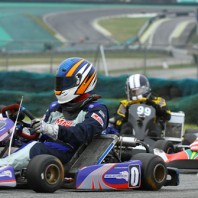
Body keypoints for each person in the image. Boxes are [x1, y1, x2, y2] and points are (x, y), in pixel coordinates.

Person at [0, 57, 109, 171]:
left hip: (70, 154)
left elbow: (82, 134)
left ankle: (2, 167)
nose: (62, 86)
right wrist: (24, 130)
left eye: (66, 82)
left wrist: (52, 129)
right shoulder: (56, 107)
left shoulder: (97, 109)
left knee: (35, 148)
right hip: (47, 149)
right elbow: (40, 133)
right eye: (60, 82)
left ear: (82, 82)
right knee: (10, 144)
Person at [111, 73, 171, 138]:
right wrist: (127, 115)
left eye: (139, 90)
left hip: (150, 128)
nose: (136, 93)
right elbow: (118, 120)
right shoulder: (124, 104)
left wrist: (154, 106)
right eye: (133, 92)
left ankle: (153, 143)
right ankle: (125, 143)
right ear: (129, 92)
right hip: (132, 129)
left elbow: (167, 115)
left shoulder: (158, 101)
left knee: (155, 127)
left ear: (145, 89)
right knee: (126, 127)